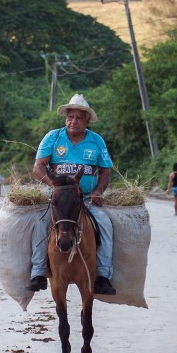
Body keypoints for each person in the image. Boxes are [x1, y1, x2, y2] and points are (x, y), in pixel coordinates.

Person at [26, 94, 117, 296]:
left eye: (78, 118)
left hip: (85, 199)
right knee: (39, 223)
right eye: (70, 117)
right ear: (65, 118)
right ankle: (39, 272)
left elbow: (105, 171)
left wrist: (98, 191)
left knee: (105, 224)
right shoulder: (53, 138)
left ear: (87, 120)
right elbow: (39, 167)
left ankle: (102, 275)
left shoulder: (96, 141)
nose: (73, 121)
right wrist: (55, 186)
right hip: (57, 198)